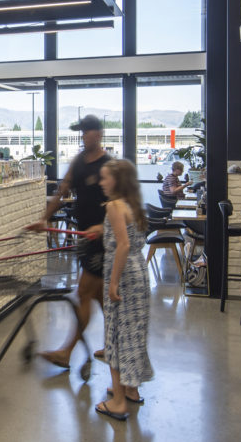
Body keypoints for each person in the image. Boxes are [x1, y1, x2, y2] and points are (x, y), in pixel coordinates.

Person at [27, 114, 109, 369]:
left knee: (85, 292)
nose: (83, 136)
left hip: (102, 240)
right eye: (81, 132)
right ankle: (116, 344)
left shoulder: (109, 165)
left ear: (98, 134)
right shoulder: (78, 162)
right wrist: (44, 219)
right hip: (85, 237)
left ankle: (66, 352)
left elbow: (119, 204)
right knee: (100, 298)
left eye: (87, 131)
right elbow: (61, 193)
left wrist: (105, 228)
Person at [93, 159, 153, 421]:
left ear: (117, 181)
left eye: (105, 178)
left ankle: (117, 402)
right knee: (134, 332)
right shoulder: (133, 205)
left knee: (115, 336)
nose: (101, 183)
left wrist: (114, 282)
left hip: (123, 274)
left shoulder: (114, 206)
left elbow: (123, 245)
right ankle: (130, 388)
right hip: (140, 272)